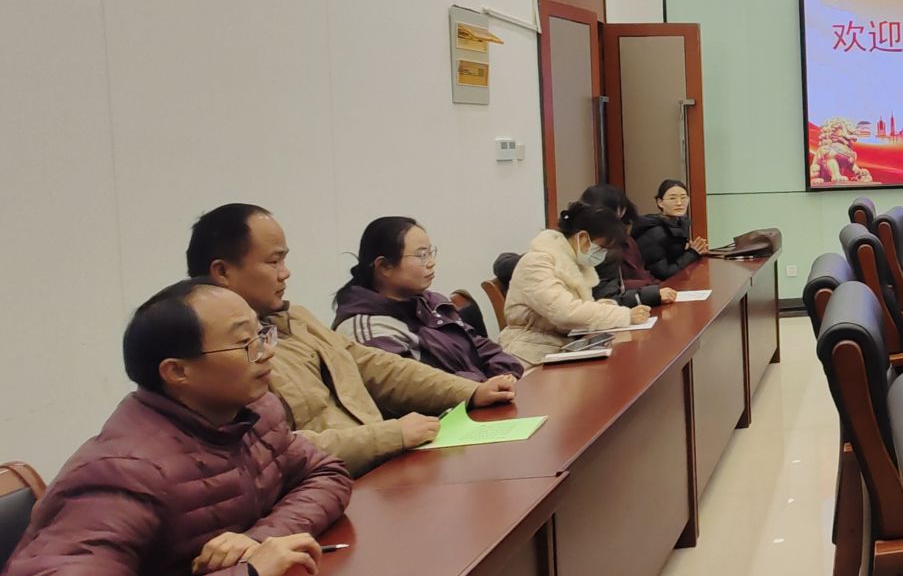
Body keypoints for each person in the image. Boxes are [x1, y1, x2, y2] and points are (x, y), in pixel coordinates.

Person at [0, 281, 351, 576]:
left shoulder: (252, 413)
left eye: (262, 333)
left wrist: (260, 541)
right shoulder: (124, 470)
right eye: (245, 343)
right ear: (177, 372)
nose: (266, 352)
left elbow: (326, 473)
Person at [189, 205, 518, 477]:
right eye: (273, 261)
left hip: (384, 469)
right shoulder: (223, 355)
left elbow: (377, 366)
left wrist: (470, 392)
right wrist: (391, 435)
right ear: (223, 272)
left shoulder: (295, 319)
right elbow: (276, 449)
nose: (285, 272)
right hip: (345, 479)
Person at [331, 216, 525, 380]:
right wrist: (483, 387)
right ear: (384, 266)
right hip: (449, 411)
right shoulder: (367, 330)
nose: (431, 263)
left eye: (430, 253)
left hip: (480, 400)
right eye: (421, 256)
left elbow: (481, 347)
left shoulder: (431, 302)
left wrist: (505, 376)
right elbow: (419, 390)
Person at [499, 200, 654, 365]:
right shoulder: (536, 263)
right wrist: (622, 315)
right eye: (602, 248)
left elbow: (580, 307)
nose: (603, 254)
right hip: (530, 353)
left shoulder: (574, 261)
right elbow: (565, 312)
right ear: (583, 238)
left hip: (562, 347)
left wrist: (611, 308)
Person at [580, 184, 677, 306]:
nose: (679, 203)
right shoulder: (598, 246)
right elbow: (609, 294)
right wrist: (653, 291)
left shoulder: (624, 240)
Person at [633, 178, 709, 280]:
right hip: (655, 285)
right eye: (672, 198)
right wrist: (692, 253)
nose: (679, 203)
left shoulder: (678, 224)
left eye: (683, 198)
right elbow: (663, 274)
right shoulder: (655, 232)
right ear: (660, 202)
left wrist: (690, 250)